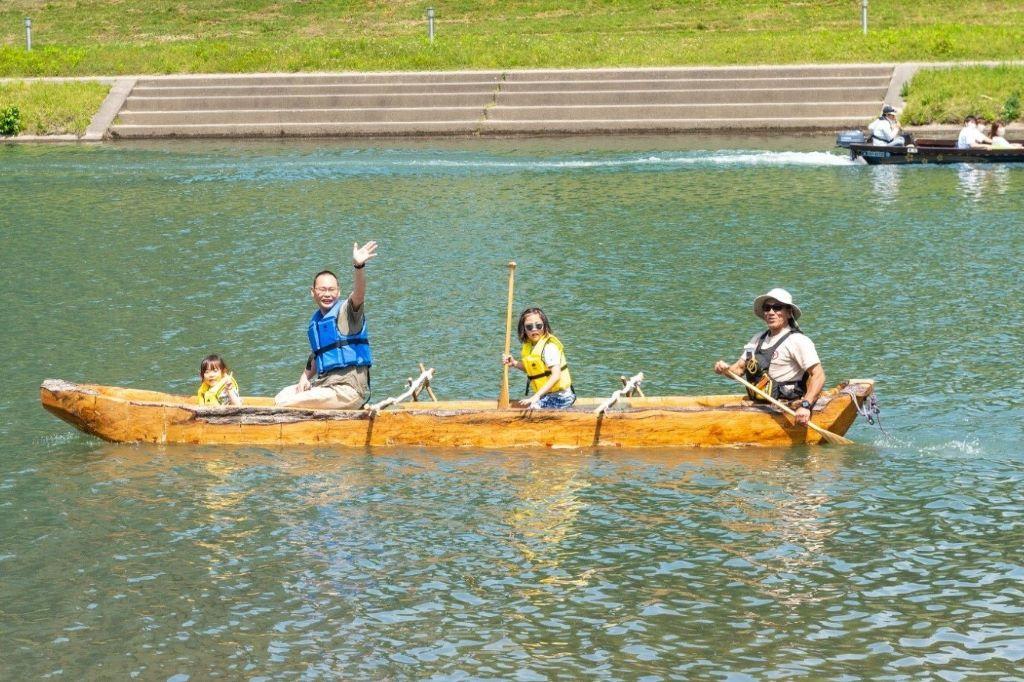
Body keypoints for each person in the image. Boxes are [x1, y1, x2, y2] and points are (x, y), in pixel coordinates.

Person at [274, 241, 378, 409]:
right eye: (322, 289)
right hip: (326, 386)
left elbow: (359, 294)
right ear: (313, 292)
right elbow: (317, 354)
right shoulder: (317, 322)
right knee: (283, 395)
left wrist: (359, 266)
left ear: (338, 292)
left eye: (331, 290)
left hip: (348, 391)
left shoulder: (347, 312)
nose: (327, 294)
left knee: (285, 403)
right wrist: (305, 377)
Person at [713, 288, 825, 426]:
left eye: (777, 308)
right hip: (759, 404)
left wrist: (806, 406)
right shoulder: (757, 339)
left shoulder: (798, 341)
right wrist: (725, 369)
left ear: (789, 313)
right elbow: (739, 370)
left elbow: (818, 376)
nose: (771, 312)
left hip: (786, 407)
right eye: (767, 308)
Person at [502, 308, 576, 409]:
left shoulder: (549, 347)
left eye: (538, 325)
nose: (534, 329)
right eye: (529, 326)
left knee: (532, 411)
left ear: (545, 326)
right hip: (546, 396)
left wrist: (536, 396)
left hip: (561, 397)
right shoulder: (530, 346)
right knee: (530, 408)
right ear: (523, 329)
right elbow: (533, 369)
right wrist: (514, 363)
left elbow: (556, 375)